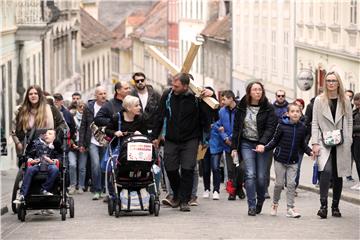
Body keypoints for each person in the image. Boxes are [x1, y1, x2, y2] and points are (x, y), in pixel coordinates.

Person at [152, 73, 213, 212]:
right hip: (171, 139)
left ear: (186, 86)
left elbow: (207, 116)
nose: (173, 88)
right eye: (173, 85)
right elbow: (159, 115)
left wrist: (205, 138)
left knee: (188, 169)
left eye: (176, 86)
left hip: (191, 139)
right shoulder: (168, 95)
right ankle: (179, 194)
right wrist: (155, 136)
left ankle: (184, 200)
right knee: (170, 168)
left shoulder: (196, 98)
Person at [256, 103, 313, 218]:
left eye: (297, 111)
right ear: (288, 113)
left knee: (291, 184)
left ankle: (290, 208)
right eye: (292, 111)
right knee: (279, 184)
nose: (295, 113)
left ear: (301, 113)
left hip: (293, 161)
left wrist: (310, 152)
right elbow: (274, 141)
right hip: (280, 160)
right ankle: (275, 204)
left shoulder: (302, 127)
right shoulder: (281, 125)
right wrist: (264, 148)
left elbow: (302, 144)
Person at [231, 81, 277, 216]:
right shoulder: (242, 106)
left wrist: (263, 143)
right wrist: (234, 147)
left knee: (262, 177)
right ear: (249, 92)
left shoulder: (268, 108)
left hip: (263, 145)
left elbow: (271, 128)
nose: (258, 92)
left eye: (260, 90)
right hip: (246, 143)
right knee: (250, 174)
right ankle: (251, 205)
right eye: (255, 90)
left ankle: (260, 201)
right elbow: (236, 128)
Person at [311, 71, 353, 219]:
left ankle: (335, 206)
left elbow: (349, 121)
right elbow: (315, 122)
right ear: (325, 83)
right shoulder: (319, 100)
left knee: (338, 174)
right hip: (324, 141)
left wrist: (349, 139)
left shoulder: (345, 100)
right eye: (328, 80)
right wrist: (315, 143)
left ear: (338, 83)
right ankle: (323, 206)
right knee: (326, 171)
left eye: (334, 81)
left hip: (341, 141)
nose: (331, 83)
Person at [12, 85, 65, 154]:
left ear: (40, 95)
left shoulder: (50, 109)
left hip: (49, 148)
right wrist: (20, 142)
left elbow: (62, 124)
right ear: (27, 97)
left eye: (35, 93)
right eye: (30, 94)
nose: (33, 96)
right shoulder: (22, 111)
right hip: (30, 150)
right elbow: (17, 130)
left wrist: (55, 136)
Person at [78, 86, 108, 200]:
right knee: (95, 165)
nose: (103, 95)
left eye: (105, 93)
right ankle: (97, 189)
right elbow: (83, 125)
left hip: (105, 140)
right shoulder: (89, 107)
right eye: (100, 94)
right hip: (92, 141)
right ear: (96, 95)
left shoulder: (109, 106)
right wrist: (81, 144)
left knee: (103, 166)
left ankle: (105, 188)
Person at [14, 129, 61, 202]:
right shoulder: (36, 144)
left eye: (50, 134)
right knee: (29, 170)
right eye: (46, 133)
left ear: (54, 137)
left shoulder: (56, 147)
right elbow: (28, 155)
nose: (47, 135)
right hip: (37, 165)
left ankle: (44, 189)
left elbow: (60, 158)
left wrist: (53, 161)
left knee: (55, 169)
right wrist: (31, 160)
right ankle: (22, 195)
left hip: (50, 165)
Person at [218, 90, 245, 200]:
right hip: (227, 145)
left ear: (231, 99)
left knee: (240, 168)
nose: (222, 102)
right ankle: (232, 192)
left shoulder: (241, 110)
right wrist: (225, 138)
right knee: (230, 169)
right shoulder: (221, 111)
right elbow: (218, 125)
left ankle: (238, 187)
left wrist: (232, 138)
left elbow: (242, 126)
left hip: (239, 143)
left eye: (224, 99)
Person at [68, 100, 87, 194]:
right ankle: (72, 185)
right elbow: (68, 132)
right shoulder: (72, 118)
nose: (82, 108)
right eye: (80, 106)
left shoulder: (87, 119)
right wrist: (72, 143)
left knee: (82, 167)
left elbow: (88, 133)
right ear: (76, 108)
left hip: (83, 146)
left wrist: (83, 144)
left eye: (84, 106)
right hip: (72, 146)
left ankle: (81, 186)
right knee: (72, 165)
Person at [345, 89, 355, 182]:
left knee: (351, 156)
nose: (349, 98)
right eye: (347, 96)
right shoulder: (341, 105)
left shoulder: (353, 107)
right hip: (342, 135)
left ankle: (349, 174)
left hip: (352, 136)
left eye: (350, 96)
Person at [350, 93, 360, 190]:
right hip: (355, 139)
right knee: (357, 161)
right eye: (356, 104)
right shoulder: (354, 112)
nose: (357, 106)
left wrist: (352, 128)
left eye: (358, 104)